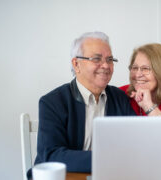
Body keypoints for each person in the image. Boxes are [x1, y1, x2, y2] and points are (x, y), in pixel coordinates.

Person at [29, 31, 136, 179]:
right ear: (76, 64)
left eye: (110, 59)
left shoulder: (120, 98)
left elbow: (136, 144)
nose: (105, 65)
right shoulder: (52, 102)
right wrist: (107, 159)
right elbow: (52, 155)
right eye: (97, 59)